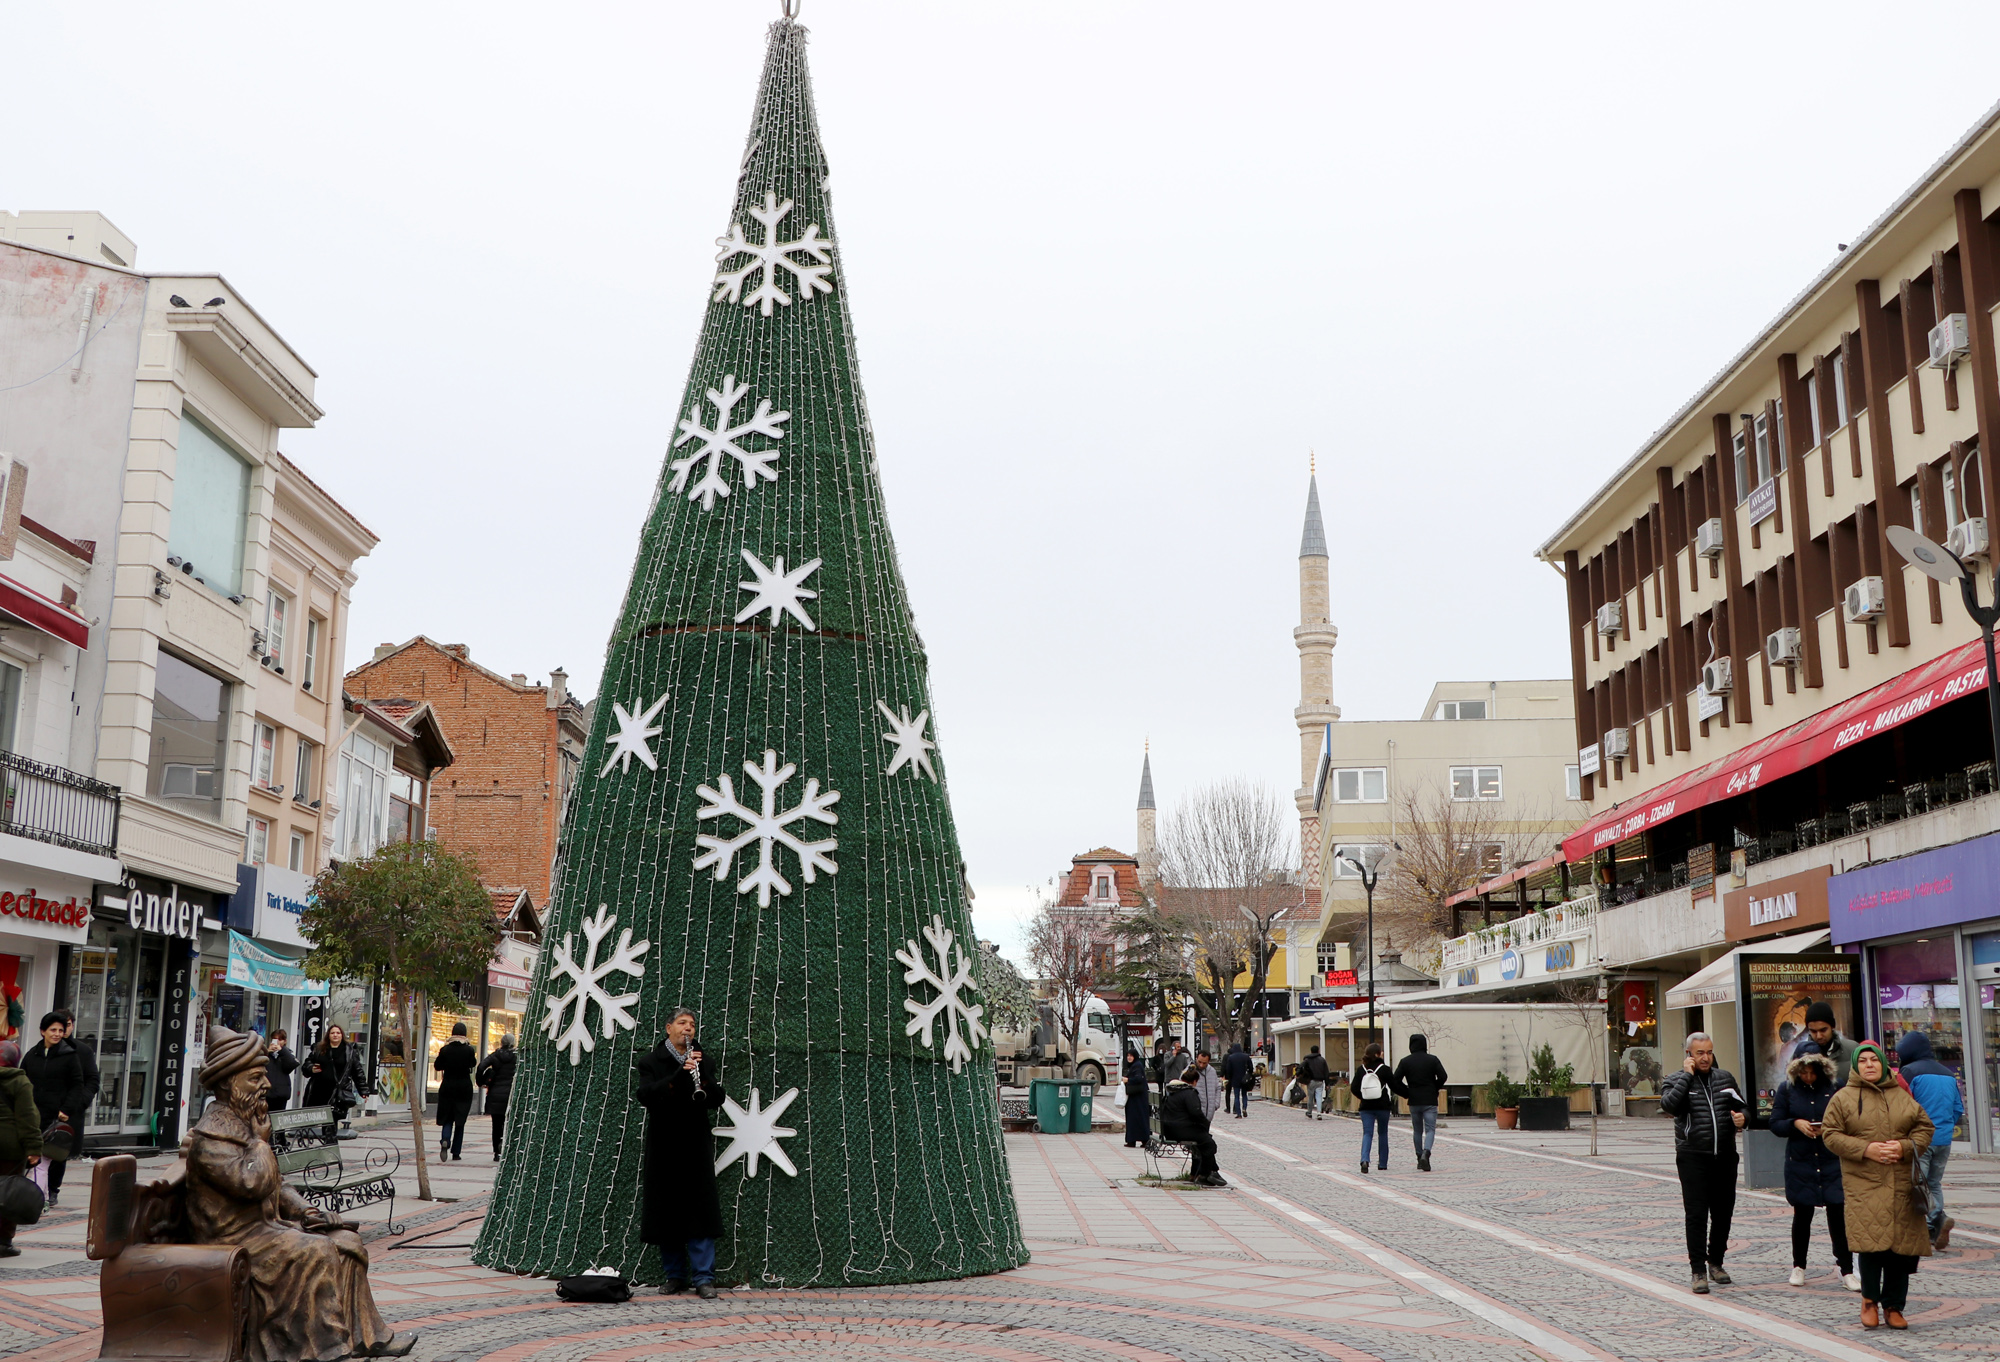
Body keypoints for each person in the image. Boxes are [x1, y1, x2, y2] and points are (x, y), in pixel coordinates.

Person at [183, 1025, 413, 1360]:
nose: (266, 1085)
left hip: (266, 1230)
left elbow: (278, 1185)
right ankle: (325, 1348)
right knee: (316, 1250)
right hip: (235, 1238)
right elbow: (253, 1184)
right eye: (256, 1078)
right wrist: (260, 1143)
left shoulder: (245, 1124)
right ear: (230, 1084)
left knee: (347, 1243)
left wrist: (307, 1212)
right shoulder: (212, 1139)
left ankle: (368, 1337)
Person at [1822, 1040, 1933, 1331]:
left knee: (1900, 1248)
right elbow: (1830, 1134)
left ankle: (1894, 1306)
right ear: (1855, 1066)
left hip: (1901, 1184)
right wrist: (1865, 1149)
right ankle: (1869, 1300)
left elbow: (1924, 1128)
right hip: (1864, 1184)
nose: (1869, 1065)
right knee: (1871, 1245)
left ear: (1883, 1064)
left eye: (1874, 1060)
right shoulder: (1843, 1098)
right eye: (1863, 1061)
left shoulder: (1901, 1095)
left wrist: (1905, 1147)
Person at [635, 1008, 726, 1297]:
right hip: (664, 1143)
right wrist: (679, 1074)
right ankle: (674, 1276)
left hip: (695, 1143)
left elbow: (717, 1098)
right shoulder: (651, 1061)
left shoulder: (703, 1059)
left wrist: (702, 1076)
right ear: (668, 1028)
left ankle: (703, 1278)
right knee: (667, 1209)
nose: (688, 1029)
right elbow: (646, 1096)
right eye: (682, 1023)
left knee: (700, 1210)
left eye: (692, 1025)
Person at [1660, 1031, 1747, 1294]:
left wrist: (1744, 1117)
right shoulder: (1675, 1080)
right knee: (1697, 1214)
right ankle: (1697, 1269)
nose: (1706, 1057)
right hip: (1692, 1157)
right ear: (1689, 1054)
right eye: (1700, 1053)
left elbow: (1744, 1107)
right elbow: (1669, 1106)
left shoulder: (1725, 1078)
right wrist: (1687, 1076)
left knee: (1723, 1213)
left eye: (1709, 1052)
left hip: (1725, 1156)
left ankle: (1716, 1263)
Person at [1768, 1048, 1858, 1290]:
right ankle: (1799, 1266)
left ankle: (1846, 1269)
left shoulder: (1836, 1086)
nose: (1808, 1077)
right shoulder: (1787, 1089)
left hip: (1831, 1159)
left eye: (1812, 1072)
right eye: (1804, 1072)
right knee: (1802, 1215)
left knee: (1838, 1215)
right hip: (1801, 1161)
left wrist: (1828, 1127)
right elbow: (1775, 1123)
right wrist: (1795, 1123)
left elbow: (1850, 1119)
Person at [1894, 1031, 1964, 1250]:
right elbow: (1957, 1108)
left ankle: (1935, 1220)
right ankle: (1934, 1228)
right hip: (1944, 1139)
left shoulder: (1909, 1072)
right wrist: (1945, 1127)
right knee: (1934, 1183)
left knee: (1918, 1183)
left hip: (1921, 1139)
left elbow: (1904, 1105)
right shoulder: (1948, 1074)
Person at [21, 1012, 87, 1209]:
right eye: (53, 1030)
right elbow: (23, 1081)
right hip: (32, 1116)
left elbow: (77, 1085)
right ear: (43, 1031)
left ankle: (39, 1201)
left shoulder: (70, 1056)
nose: (57, 1034)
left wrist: (66, 1109)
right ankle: (37, 1198)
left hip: (55, 1117)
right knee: (32, 1160)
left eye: (60, 1030)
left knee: (42, 1161)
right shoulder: (32, 1055)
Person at [0, 1039, 42, 1258]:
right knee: (9, 1194)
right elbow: (27, 1118)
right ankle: (3, 1242)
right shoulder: (19, 1081)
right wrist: (34, 1148)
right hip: (10, 1148)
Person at [1159, 1063, 1223, 1186]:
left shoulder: (1172, 1091)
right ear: (1194, 1081)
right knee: (1209, 1144)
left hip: (1169, 1129)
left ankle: (1205, 1172)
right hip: (1181, 1130)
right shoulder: (1189, 1093)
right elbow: (1195, 1113)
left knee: (1205, 1140)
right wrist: (1205, 1123)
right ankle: (1205, 1174)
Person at [1392, 1034, 1448, 1172]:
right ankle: (1426, 1153)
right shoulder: (1432, 1060)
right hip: (1429, 1099)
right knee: (1430, 1129)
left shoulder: (1405, 1061)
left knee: (1417, 1130)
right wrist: (1435, 1087)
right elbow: (1443, 1076)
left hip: (1414, 1100)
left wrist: (1406, 1092)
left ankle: (1419, 1156)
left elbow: (1395, 1080)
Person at [1350, 1042, 1399, 1173]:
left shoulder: (1361, 1069)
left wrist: (1363, 1096)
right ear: (1377, 1054)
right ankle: (1382, 1163)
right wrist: (1408, 1094)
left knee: (1367, 1133)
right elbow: (1394, 1086)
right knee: (1382, 1133)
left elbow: (1354, 1088)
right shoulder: (1384, 1069)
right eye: (1381, 1052)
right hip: (1382, 1105)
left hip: (1366, 1107)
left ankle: (1364, 1159)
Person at [432, 1023, 477, 1162]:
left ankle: (445, 1139)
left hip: (448, 1086)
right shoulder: (469, 1050)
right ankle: (456, 1152)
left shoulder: (445, 1049)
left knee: (447, 1117)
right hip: (464, 1087)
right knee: (460, 1120)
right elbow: (473, 1063)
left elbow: (437, 1066)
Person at [475, 1034, 518, 1160]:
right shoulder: (517, 1057)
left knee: (496, 1125)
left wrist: (480, 1082)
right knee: (510, 1124)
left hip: (495, 1095)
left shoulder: (495, 1055)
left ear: (501, 1042)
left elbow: (481, 1066)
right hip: (511, 1094)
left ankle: (496, 1152)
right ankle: (507, 1148)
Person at [303, 1024, 355, 1122]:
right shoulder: (319, 1049)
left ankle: (330, 1132)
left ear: (342, 1035)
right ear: (328, 1035)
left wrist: (364, 1091)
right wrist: (311, 1068)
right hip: (318, 1089)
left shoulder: (349, 1051)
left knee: (332, 1119)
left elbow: (357, 1070)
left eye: (338, 1033)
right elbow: (306, 1064)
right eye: (332, 1033)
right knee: (312, 1119)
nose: (335, 1035)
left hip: (337, 1091)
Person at [1805, 1003, 1857, 1088]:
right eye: (1813, 1031)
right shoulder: (1800, 1054)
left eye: (1823, 1030)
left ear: (1832, 1026)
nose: (1819, 1036)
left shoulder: (1853, 1049)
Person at [1121, 1046, 1151, 1148]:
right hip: (1136, 1097)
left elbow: (1138, 1079)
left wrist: (1128, 1080)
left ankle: (1136, 1140)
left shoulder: (1137, 1066)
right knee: (1136, 1119)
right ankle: (1137, 1140)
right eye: (1128, 1056)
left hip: (1138, 1098)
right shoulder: (1135, 1065)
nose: (1129, 1058)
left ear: (1135, 1056)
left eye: (1131, 1056)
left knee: (1137, 1118)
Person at [265, 1030, 300, 1112]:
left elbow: (293, 1063)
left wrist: (281, 1051)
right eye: (274, 1039)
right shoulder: (266, 1054)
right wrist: (267, 1051)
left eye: (280, 1040)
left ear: (285, 1041)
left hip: (281, 1094)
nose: (277, 1042)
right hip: (267, 1093)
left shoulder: (287, 1054)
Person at [1221, 1043, 1253, 1119]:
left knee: (1236, 1096)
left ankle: (1238, 1113)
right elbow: (1251, 1068)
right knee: (1244, 1095)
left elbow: (1228, 1069)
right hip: (1244, 1079)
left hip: (1235, 1078)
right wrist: (1249, 1074)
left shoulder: (1231, 1057)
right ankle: (1244, 1108)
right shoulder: (1246, 1056)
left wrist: (1229, 1077)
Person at [1191, 1050, 1221, 1125]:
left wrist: (1216, 1104)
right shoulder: (1189, 1071)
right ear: (1196, 1058)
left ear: (1208, 1062)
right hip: (1193, 1117)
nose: (1201, 1065)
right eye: (1199, 1062)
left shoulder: (1212, 1071)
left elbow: (1217, 1087)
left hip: (1209, 1114)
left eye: (1204, 1063)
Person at [1302, 1045, 1330, 1120]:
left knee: (1310, 1097)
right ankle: (1319, 1113)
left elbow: (1301, 1066)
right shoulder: (1322, 1060)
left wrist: (1299, 1075)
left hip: (1310, 1081)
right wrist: (1327, 1083)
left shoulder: (1307, 1059)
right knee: (1319, 1097)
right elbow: (1326, 1072)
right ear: (1318, 1051)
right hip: (1320, 1081)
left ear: (1311, 1051)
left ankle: (1309, 1112)